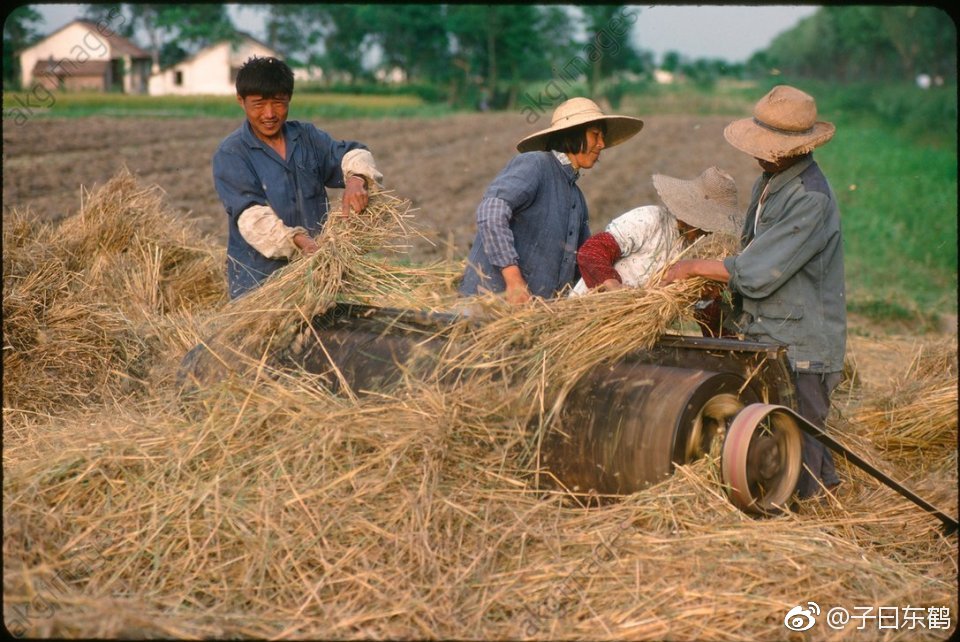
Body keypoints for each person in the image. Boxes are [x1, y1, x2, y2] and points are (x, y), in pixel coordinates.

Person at [663, 85, 846, 499]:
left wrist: (691, 267)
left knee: (803, 436)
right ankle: (811, 493)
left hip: (802, 341)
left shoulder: (808, 198)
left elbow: (759, 270)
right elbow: (751, 248)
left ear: (789, 149)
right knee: (785, 432)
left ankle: (810, 518)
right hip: (771, 329)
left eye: (763, 146)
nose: (754, 153)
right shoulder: (772, 182)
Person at [212, 56, 383, 299]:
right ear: (241, 101)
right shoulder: (232, 153)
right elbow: (252, 218)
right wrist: (300, 242)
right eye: (258, 105)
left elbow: (353, 153)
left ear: (289, 99)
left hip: (317, 276)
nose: (270, 114)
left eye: (279, 103)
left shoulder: (307, 138)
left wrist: (357, 180)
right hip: (261, 285)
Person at [458, 97, 643, 304]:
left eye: (603, 137)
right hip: (488, 305)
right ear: (573, 132)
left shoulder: (577, 198)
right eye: (595, 135)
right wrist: (514, 281)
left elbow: (581, 260)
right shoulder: (535, 165)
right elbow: (491, 212)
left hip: (532, 316)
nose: (601, 144)